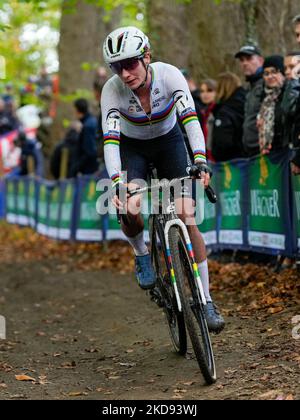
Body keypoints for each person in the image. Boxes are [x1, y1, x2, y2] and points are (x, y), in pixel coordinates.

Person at [101, 26, 225, 332]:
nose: (125, 73)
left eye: (130, 64)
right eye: (117, 67)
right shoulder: (112, 91)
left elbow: (192, 122)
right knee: (129, 206)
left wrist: (199, 160)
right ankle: (142, 253)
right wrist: (117, 180)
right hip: (134, 148)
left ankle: (206, 299)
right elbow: (111, 141)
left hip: (169, 141)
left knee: (187, 215)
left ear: (147, 57)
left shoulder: (170, 76)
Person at [235, 45, 264, 157]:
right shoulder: (249, 88)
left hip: (265, 150)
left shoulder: (267, 85)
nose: (245, 63)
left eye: (249, 59)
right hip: (250, 151)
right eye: (242, 60)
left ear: (261, 60)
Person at [211, 72, 246, 162]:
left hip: (229, 162)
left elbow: (223, 142)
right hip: (246, 158)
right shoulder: (245, 103)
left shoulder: (225, 112)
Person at [257, 55, 288, 155]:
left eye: (274, 72)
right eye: (266, 73)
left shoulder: (290, 94)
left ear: (283, 73)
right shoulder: (265, 99)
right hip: (271, 153)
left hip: (287, 151)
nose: (270, 76)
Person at [72, 98, 99, 176]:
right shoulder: (90, 121)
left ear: (77, 110)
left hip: (87, 170)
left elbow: (89, 150)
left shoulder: (88, 125)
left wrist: (77, 167)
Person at [199, 79, 217, 161]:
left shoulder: (217, 110)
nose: (205, 94)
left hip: (216, 159)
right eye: (202, 91)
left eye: (209, 90)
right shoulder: (204, 111)